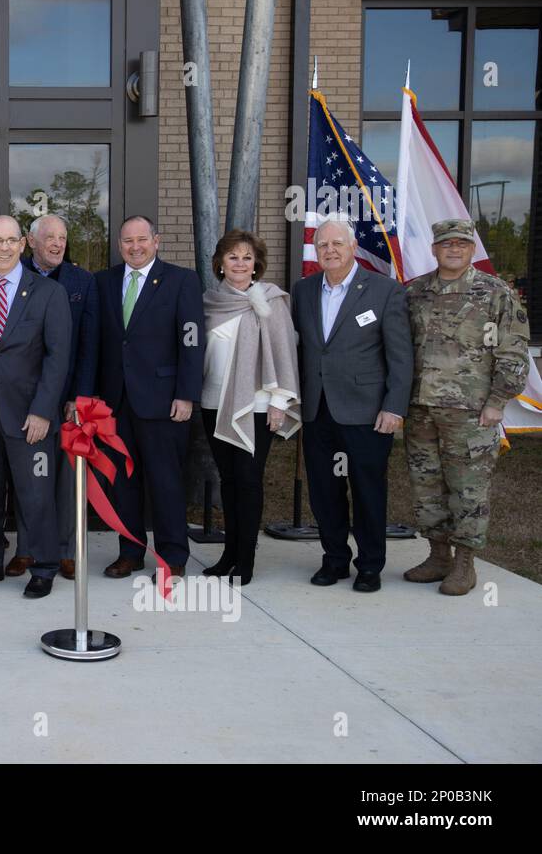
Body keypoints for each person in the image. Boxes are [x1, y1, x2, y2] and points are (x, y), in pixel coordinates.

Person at [403, 218, 531, 595]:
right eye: (446, 244)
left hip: (471, 412)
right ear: (434, 249)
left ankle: (465, 564)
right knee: (426, 486)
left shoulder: (496, 293)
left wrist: (497, 402)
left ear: (472, 249)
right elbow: (399, 349)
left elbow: (514, 352)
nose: (454, 249)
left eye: (461, 243)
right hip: (421, 408)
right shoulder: (416, 293)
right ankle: (438, 555)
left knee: (468, 489)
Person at [290, 215, 413, 593]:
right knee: (324, 491)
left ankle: (370, 565)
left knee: (367, 491)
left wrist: (394, 407)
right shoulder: (303, 290)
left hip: (366, 412)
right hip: (318, 410)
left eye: (336, 244)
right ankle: (335, 560)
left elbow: (401, 356)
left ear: (353, 247)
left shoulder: (384, 291)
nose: (329, 250)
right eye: (323, 245)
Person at [0, 216, 71, 599]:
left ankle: (43, 565)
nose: (3, 247)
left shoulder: (48, 293)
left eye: (10, 240)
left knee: (36, 494)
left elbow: (58, 358)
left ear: (23, 244)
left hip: (30, 417)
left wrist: (42, 411)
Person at [95, 215, 205, 581]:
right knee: (123, 483)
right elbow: (99, 344)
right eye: (128, 241)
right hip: (116, 403)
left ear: (156, 241)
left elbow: (191, 340)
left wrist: (186, 394)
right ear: (120, 245)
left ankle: (173, 555)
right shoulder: (105, 281)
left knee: (165, 482)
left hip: (163, 402)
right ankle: (130, 552)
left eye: (142, 239)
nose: (135, 247)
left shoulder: (181, 280)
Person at [200, 229, 301, 585]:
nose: (240, 263)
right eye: (232, 257)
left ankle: (246, 558)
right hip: (213, 403)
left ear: (255, 264)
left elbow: (284, 353)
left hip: (256, 406)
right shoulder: (210, 303)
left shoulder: (271, 300)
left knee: (248, 480)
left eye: (246, 257)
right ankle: (228, 553)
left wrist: (278, 402)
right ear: (221, 264)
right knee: (227, 480)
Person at [7, 213, 99, 580]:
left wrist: (80, 395)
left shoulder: (81, 282)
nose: (58, 243)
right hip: (26, 400)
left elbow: (89, 345)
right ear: (31, 242)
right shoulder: (15, 277)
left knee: (68, 479)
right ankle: (27, 549)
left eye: (62, 237)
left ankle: (64, 551)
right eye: (50, 237)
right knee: (31, 478)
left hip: (68, 400)